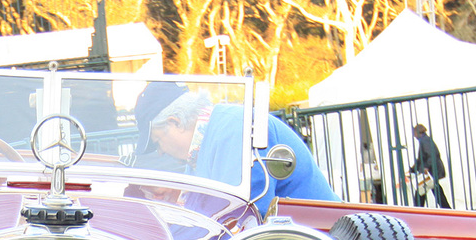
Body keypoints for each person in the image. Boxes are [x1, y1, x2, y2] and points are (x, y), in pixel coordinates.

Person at [138, 85, 339, 204]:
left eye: (158, 141)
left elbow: (246, 213)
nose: (161, 151)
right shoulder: (208, 140)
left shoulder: (234, 129)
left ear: (175, 122)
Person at [410, 124, 450, 208]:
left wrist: (426, 167)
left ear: (418, 132)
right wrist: (413, 169)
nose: (414, 136)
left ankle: (417, 211)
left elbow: (431, 155)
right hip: (431, 171)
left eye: (414, 133)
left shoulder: (425, 141)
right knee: (435, 191)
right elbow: (421, 158)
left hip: (430, 171)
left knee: (421, 191)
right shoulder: (425, 140)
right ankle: (447, 209)